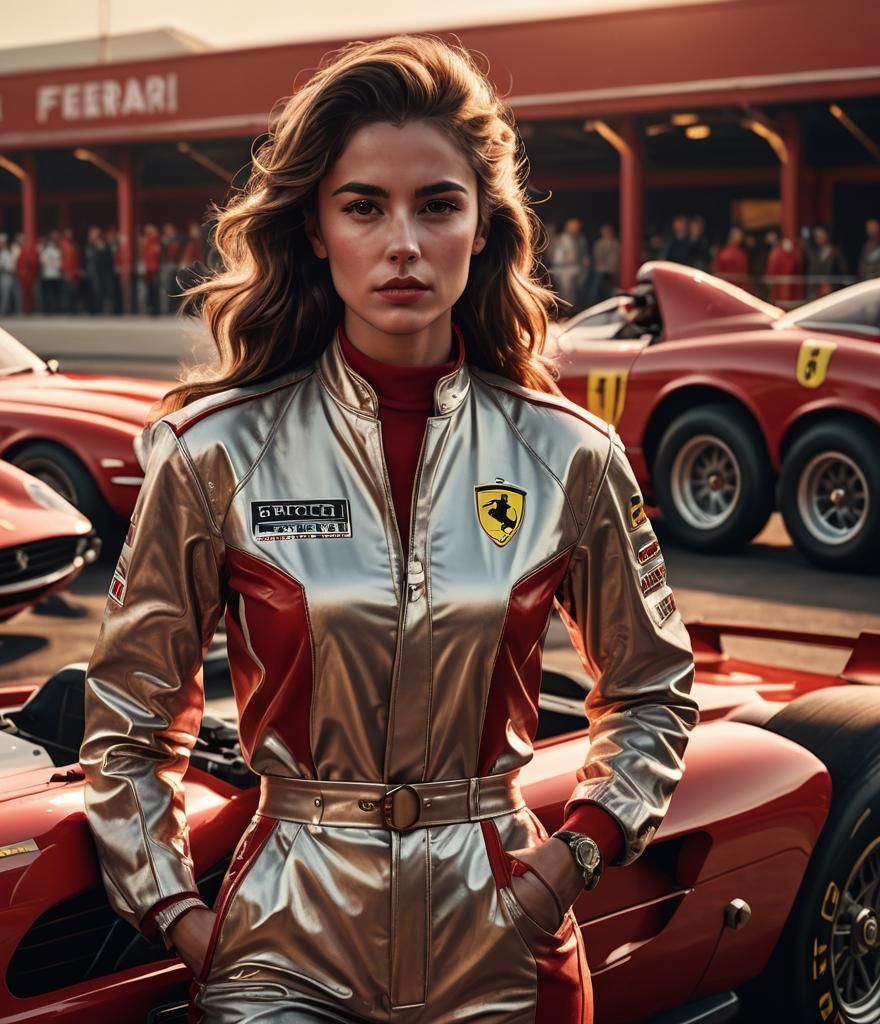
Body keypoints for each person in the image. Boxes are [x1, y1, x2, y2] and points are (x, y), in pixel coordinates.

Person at [80, 35, 698, 1024]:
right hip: (281, 941)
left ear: (484, 225)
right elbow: (128, 723)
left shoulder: (568, 455)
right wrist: (179, 913)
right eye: (363, 205)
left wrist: (569, 859)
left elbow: (654, 691)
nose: (403, 243)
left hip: (503, 932)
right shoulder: (211, 452)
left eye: (437, 205)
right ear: (316, 228)